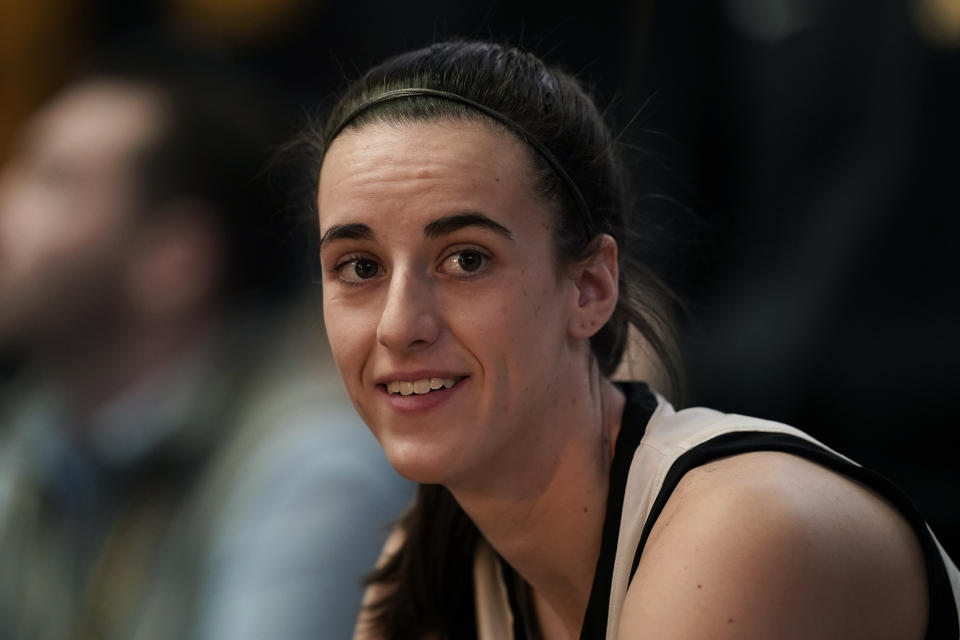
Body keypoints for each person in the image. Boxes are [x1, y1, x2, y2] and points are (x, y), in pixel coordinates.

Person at [306, 40, 960, 639]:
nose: (398, 325)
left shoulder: (735, 533)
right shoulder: (429, 560)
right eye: (360, 268)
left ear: (590, 288)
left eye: (466, 259)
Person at [0, 46, 413, 639]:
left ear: (174, 260)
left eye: (55, 182)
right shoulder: (36, 436)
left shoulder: (311, 470)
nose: (7, 213)